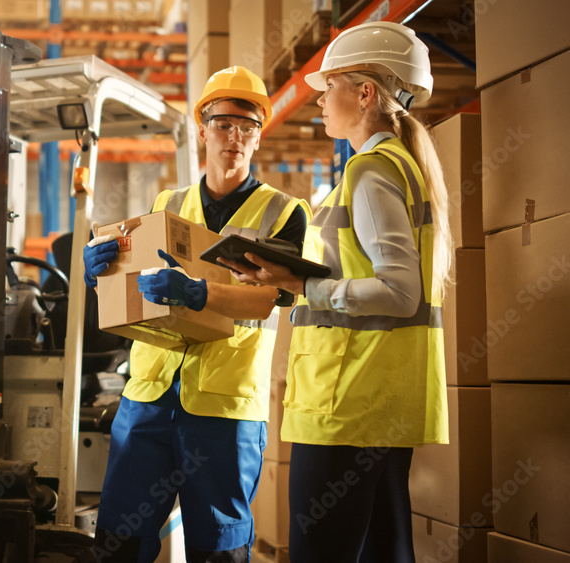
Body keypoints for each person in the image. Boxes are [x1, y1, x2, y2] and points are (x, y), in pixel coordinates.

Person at [220, 22, 452, 562]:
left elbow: (398, 292)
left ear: (365, 92)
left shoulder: (371, 171)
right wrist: (287, 279)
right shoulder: (396, 166)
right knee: (384, 550)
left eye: (330, 88)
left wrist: (302, 283)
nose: (321, 100)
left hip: (348, 403)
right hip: (376, 397)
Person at [84, 66, 311, 563]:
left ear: (259, 136)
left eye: (249, 127)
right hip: (147, 397)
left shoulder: (284, 213)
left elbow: (277, 296)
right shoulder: (170, 204)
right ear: (203, 128)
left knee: (219, 552)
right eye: (226, 123)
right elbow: (134, 283)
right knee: (117, 540)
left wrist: (199, 293)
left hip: (223, 410)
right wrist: (99, 272)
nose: (237, 137)